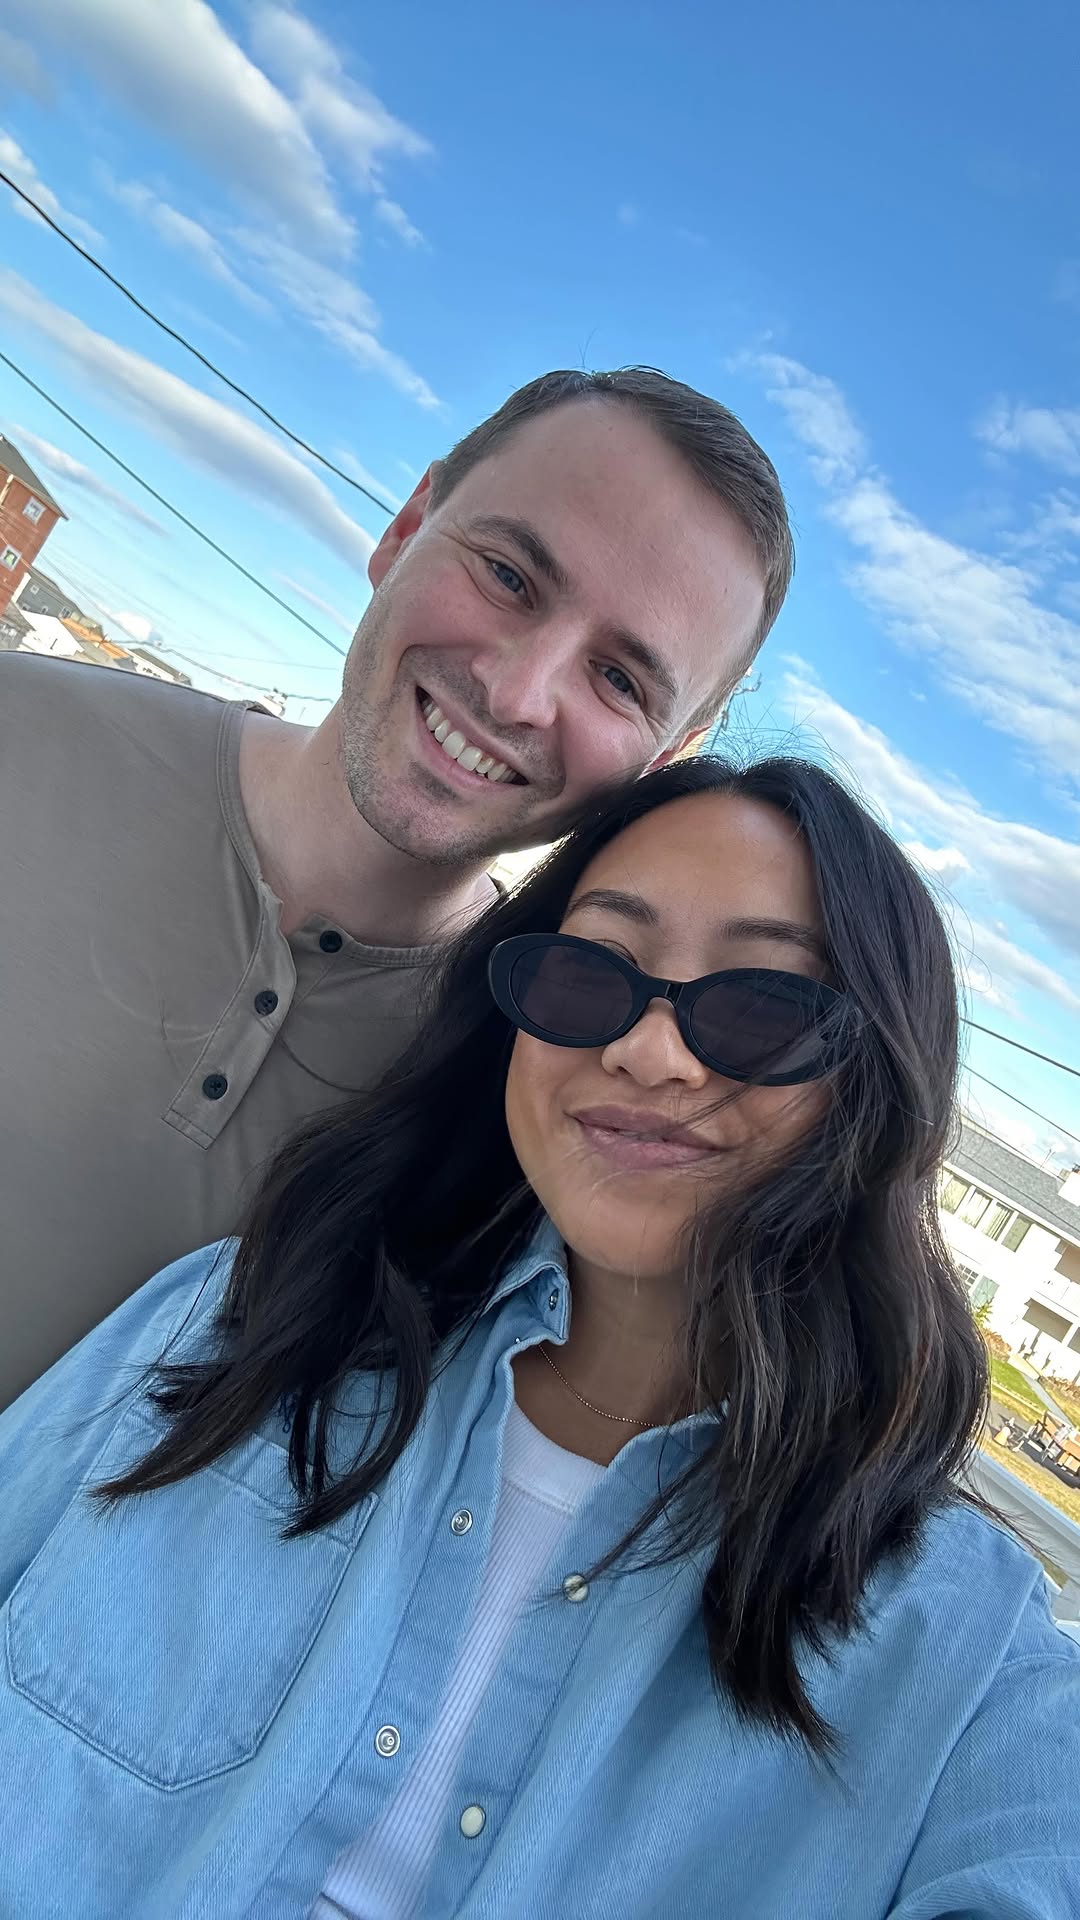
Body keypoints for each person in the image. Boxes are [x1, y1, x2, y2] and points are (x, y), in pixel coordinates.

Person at [1, 755, 1077, 1920]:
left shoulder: (976, 1667)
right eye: (589, 969)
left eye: (764, 1005)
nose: (649, 1052)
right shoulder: (240, 1321)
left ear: (876, 1077)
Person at [0, 366, 793, 1407]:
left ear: (667, 754)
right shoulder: (21, 733)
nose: (517, 692)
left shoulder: (534, 1090)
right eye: (509, 575)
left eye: (619, 679)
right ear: (406, 527)